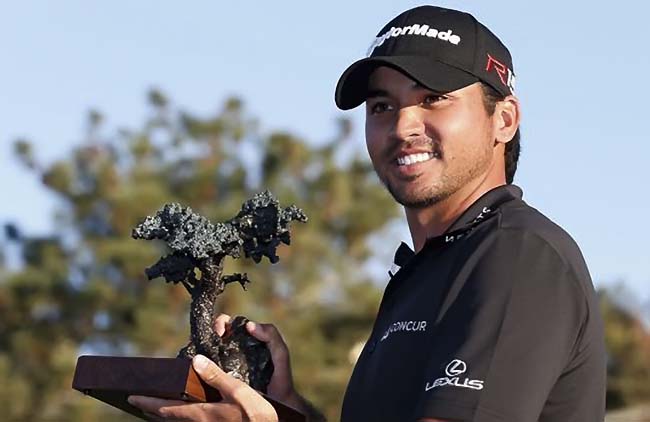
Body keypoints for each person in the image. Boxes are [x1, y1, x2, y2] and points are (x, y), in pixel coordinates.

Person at [129, 5, 606, 422]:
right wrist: (286, 409)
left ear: (503, 119)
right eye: (382, 105)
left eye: (433, 99)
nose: (403, 126)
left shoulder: (516, 253)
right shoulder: (427, 273)